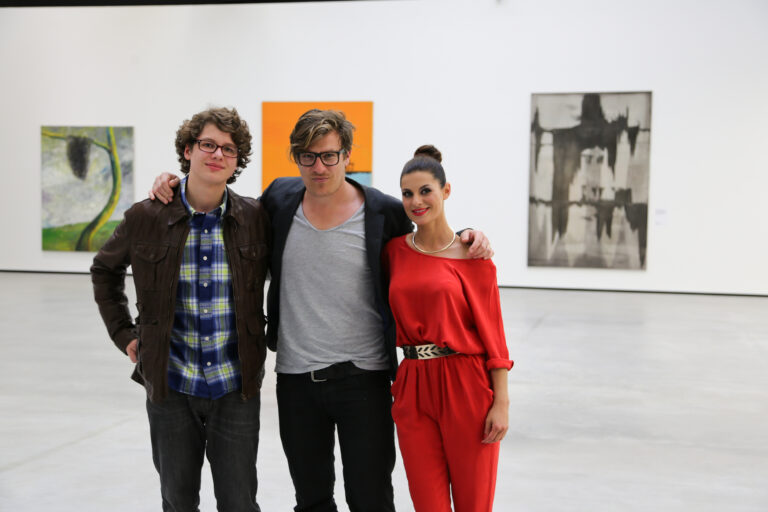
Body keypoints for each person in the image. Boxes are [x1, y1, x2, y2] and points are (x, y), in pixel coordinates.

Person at [150, 109, 493, 512]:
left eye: (329, 155)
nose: (319, 167)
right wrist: (176, 183)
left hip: (364, 379)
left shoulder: (382, 212)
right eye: (308, 156)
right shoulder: (279, 199)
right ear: (296, 158)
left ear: (347, 156)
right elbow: (224, 207)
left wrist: (468, 235)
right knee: (311, 500)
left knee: (371, 499)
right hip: (297, 381)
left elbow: (428, 239)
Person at [91, 107, 270, 512]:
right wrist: (123, 333)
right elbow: (105, 270)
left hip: (235, 386)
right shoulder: (146, 216)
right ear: (188, 150)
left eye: (229, 148)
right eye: (208, 144)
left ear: (237, 160)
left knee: (240, 502)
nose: (218, 154)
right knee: (177, 502)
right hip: (171, 385)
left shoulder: (256, 217)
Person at [383, 145, 513, 512]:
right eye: (407, 193)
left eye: (425, 191)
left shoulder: (474, 258)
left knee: (473, 503)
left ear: (446, 190)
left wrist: (501, 402)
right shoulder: (393, 252)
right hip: (412, 383)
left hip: (465, 383)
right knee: (428, 503)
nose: (416, 201)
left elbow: (494, 337)